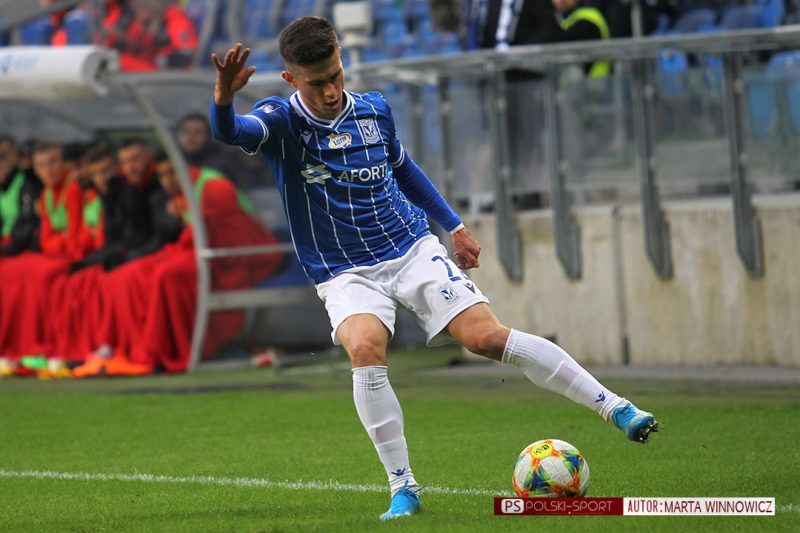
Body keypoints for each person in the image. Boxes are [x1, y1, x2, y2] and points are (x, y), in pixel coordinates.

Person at [209, 16, 659, 521]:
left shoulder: (373, 109)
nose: (331, 91)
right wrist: (223, 98)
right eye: (317, 83)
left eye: (335, 75)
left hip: (409, 247)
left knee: (485, 338)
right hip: (344, 270)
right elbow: (230, 131)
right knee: (365, 347)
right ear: (291, 78)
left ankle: (615, 407)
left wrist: (454, 225)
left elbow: (403, 168)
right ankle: (403, 487)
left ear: (342, 61)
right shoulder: (279, 121)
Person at [73, 150, 283, 376]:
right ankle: (127, 348)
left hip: (232, 259)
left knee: (166, 275)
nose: (167, 180)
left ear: (185, 167)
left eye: (172, 172)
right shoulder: (180, 191)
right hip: (199, 250)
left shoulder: (213, 187)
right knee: (126, 275)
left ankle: (171, 350)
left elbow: (222, 235)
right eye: (162, 175)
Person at [177, 112, 276, 188]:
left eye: (198, 132)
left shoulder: (224, 163)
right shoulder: (174, 161)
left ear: (208, 136)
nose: (191, 137)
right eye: (186, 131)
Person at [100, 0, 198, 71]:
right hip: (136, 68)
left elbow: (187, 54)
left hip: (161, 76)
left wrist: (159, 59)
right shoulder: (132, 15)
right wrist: (124, 39)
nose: (140, 14)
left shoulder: (175, 18)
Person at [0, 135, 43, 256]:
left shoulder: (28, 182)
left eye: (3, 156)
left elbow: (28, 223)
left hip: (18, 246)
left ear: (15, 156)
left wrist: (7, 248)